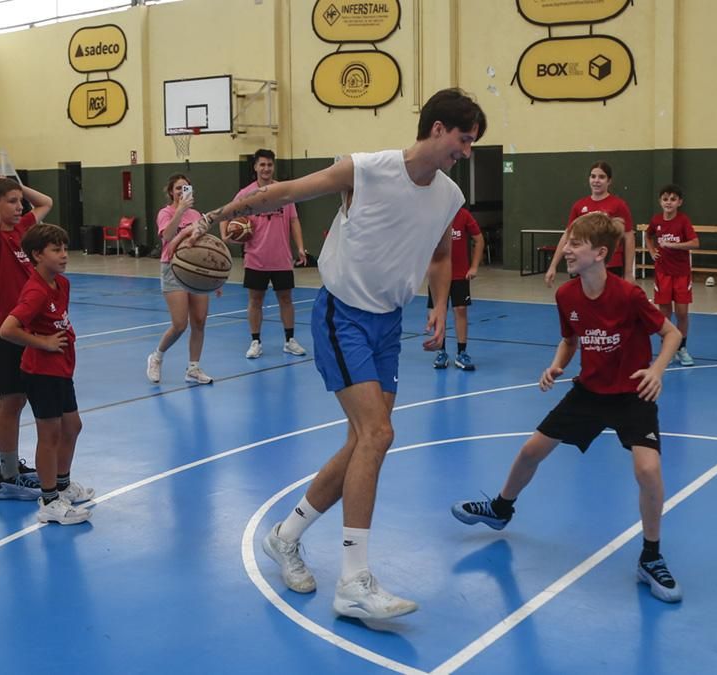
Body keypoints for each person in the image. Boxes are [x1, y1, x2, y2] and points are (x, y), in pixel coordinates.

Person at [195, 88, 485, 620]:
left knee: (362, 442)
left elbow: (442, 253)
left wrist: (440, 304)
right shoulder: (367, 169)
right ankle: (354, 580)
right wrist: (214, 215)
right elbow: (283, 192)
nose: (465, 152)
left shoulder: (448, 195)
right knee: (378, 434)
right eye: (463, 141)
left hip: (387, 323)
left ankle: (286, 535)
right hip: (341, 315)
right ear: (438, 129)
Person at [451, 211, 684, 603]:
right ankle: (500, 507)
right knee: (531, 451)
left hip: (631, 393)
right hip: (590, 391)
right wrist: (557, 365)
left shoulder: (628, 295)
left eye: (575, 244)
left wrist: (657, 370)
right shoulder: (567, 295)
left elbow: (671, 332)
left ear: (600, 253)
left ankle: (650, 556)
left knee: (648, 469)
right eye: (568, 242)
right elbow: (570, 340)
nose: (566, 250)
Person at [0, 223, 93, 525]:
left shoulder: (61, 284)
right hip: (41, 372)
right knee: (49, 435)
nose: (64, 255)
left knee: (73, 426)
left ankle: (62, 484)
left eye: (65, 248)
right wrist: (43, 343)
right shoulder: (35, 291)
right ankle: (49, 500)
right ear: (37, 255)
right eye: (56, 250)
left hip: (62, 369)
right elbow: (7, 329)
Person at [0, 174, 54, 499]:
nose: (18, 205)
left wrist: (18, 187)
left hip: (30, 330)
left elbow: (46, 203)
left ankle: (13, 467)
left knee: (21, 399)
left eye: (18, 201)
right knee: (10, 403)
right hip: (5, 330)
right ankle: (8, 476)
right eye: (11, 201)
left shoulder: (24, 231)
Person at [221, 149, 308, 359]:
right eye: (262, 165)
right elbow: (226, 213)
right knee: (255, 300)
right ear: (255, 167)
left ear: (273, 166)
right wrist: (225, 235)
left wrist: (299, 247)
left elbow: (294, 220)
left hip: (281, 258)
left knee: (286, 299)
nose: (266, 168)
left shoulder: (283, 191)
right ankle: (255, 341)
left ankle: (289, 340)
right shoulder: (246, 194)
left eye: (269, 165)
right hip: (256, 258)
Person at [145, 174, 218, 386]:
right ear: (171, 192)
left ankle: (193, 368)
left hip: (196, 270)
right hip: (173, 268)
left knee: (199, 321)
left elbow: (205, 243)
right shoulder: (165, 213)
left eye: (186, 188)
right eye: (178, 188)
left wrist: (214, 276)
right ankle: (156, 357)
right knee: (179, 324)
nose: (182, 191)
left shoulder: (196, 214)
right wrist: (180, 211)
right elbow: (167, 237)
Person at [544, 161, 635, 285]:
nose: (596, 180)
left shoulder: (619, 205)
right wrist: (553, 265)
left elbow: (629, 237)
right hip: (582, 263)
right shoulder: (579, 206)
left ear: (609, 181)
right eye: (593, 176)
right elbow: (567, 235)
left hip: (610, 264)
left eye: (601, 177)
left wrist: (628, 273)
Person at [646, 184, 698, 367]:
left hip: (682, 274)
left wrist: (674, 245)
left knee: (682, 313)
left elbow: (695, 243)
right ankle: (666, 349)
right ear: (660, 201)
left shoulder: (683, 221)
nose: (669, 202)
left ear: (679, 202)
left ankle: (681, 348)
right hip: (663, 273)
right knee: (664, 312)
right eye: (665, 199)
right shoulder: (656, 220)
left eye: (673, 199)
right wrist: (652, 251)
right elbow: (648, 234)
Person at [428, 206, 484, 370]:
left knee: (460, 309)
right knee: (438, 312)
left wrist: (474, 267)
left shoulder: (463, 215)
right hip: (438, 276)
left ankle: (462, 352)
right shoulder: (433, 215)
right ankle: (441, 352)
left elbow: (479, 239)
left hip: (460, 275)